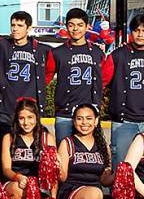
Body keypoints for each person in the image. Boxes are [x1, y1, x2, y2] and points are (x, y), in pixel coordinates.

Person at [55, 103, 134, 199]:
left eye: (89, 118)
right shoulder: (67, 143)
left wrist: (120, 173)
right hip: (72, 194)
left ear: (96, 121)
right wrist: (55, 166)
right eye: (79, 118)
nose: (84, 122)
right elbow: (63, 177)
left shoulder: (102, 145)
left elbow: (104, 180)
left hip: (95, 198)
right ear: (73, 121)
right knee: (95, 193)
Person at [102, 13, 144, 159]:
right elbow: (102, 81)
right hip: (124, 120)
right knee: (121, 164)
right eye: (136, 30)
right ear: (131, 31)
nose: (140, 34)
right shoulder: (117, 55)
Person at [45, 8, 105, 143]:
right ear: (66, 27)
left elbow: (104, 80)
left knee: (90, 154)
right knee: (63, 152)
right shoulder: (57, 53)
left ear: (87, 27)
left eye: (80, 25)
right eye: (71, 25)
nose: (75, 29)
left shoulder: (97, 52)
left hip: (89, 113)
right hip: (65, 113)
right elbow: (45, 79)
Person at [0, 11, 51, 145]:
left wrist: (40, 84)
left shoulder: (40, 49)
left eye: (20, 25)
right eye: (13, 25)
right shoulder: (2, 45)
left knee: (28, 149)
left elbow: (50, 70)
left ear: (29, 28)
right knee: (5, 149)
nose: (15, 28)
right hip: (6, 107)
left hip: (29, 108)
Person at [0, 98, 52, 199]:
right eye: (21, 118)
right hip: (13, 183)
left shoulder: (47, 138)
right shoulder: (9, 138)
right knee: (18, 189)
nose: (26, 122)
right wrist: (18, 177)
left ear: (37, 117)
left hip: (37, 188)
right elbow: (6, 169)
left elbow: (52, 174)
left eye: (30, 117)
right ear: (16, 118)